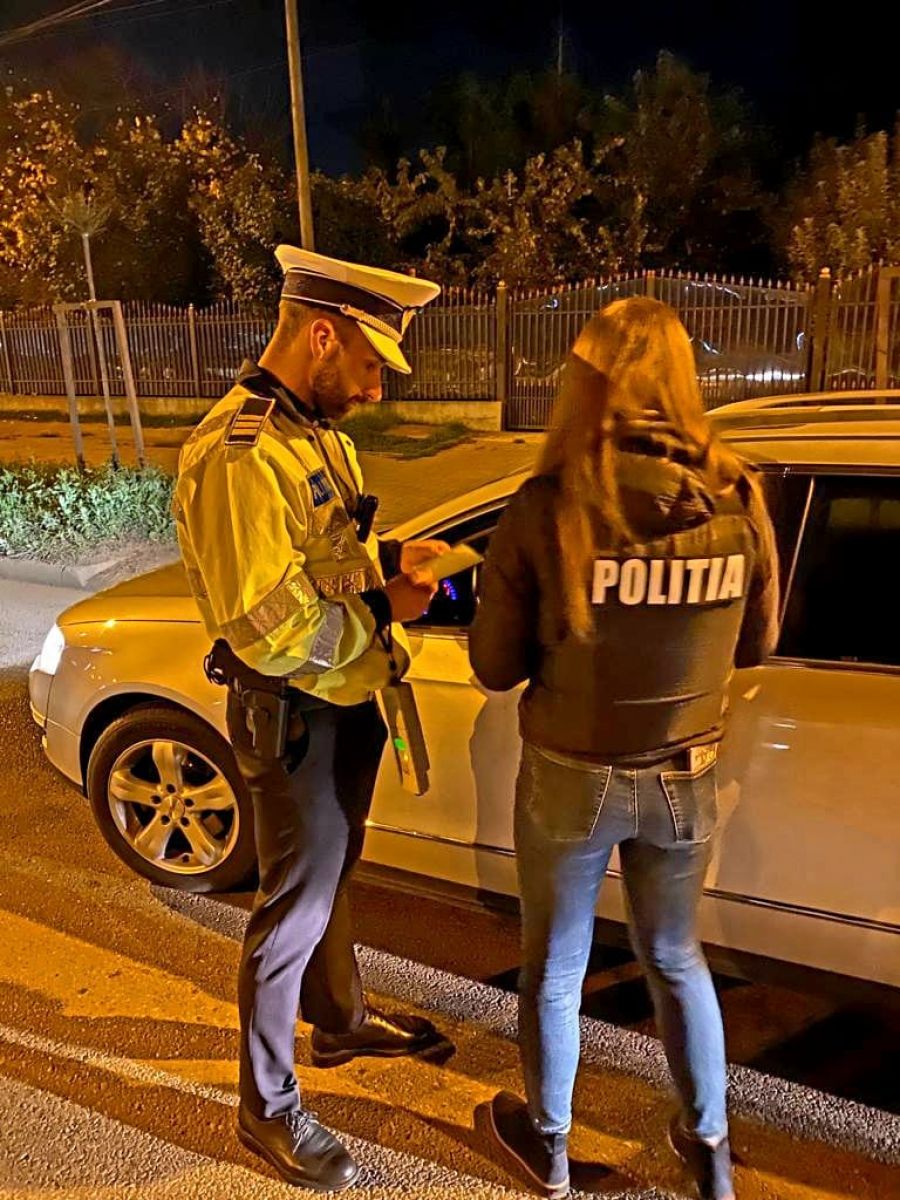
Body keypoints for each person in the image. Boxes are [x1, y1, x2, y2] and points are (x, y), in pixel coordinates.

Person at [469, 298, 779, 1200]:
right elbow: (756, 646)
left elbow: (493, 666)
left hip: (571, 774)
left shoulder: (553, 504)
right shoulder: (739, 496)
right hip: (688, 773)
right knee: (676, 957)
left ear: (586, 381)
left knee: (557, 966)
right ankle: (709, 1152)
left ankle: (551, 1152)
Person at [174, 246, 454, 1191]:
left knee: (329, 882)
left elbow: (323, 560)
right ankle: (266, 1106)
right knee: (292, 909)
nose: (377, 390)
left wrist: (388, 561)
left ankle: (337, 1023)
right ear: (322, 336)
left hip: (345, 699)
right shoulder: (242, 454)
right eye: (372, 366)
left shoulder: (313, 432)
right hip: (294, 714)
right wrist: (383, 607)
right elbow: (267, 631)